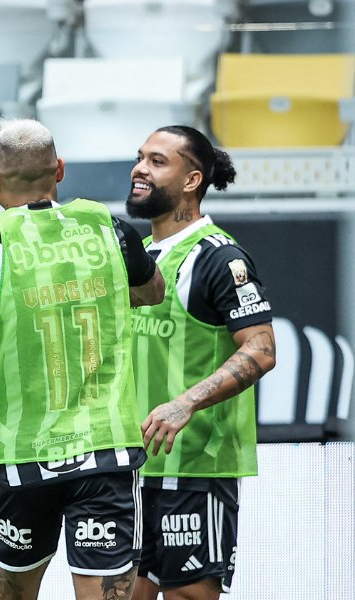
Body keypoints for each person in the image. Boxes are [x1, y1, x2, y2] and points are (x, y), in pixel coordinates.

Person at [0, 118, 165, 600]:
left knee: (12, 593)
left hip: (23, 458)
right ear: (59, 170)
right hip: (104, 451)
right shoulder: (107, 227)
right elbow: (152, 291)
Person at [126, 126, 276, 600]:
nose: (139, 169)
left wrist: (185, 403)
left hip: (194, 466)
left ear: (191, 180)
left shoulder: (218, 257)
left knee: (189, 593)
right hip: (132, 466)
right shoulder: (140, 256)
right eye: (139, 158)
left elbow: (261, 348)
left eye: (156, 161)